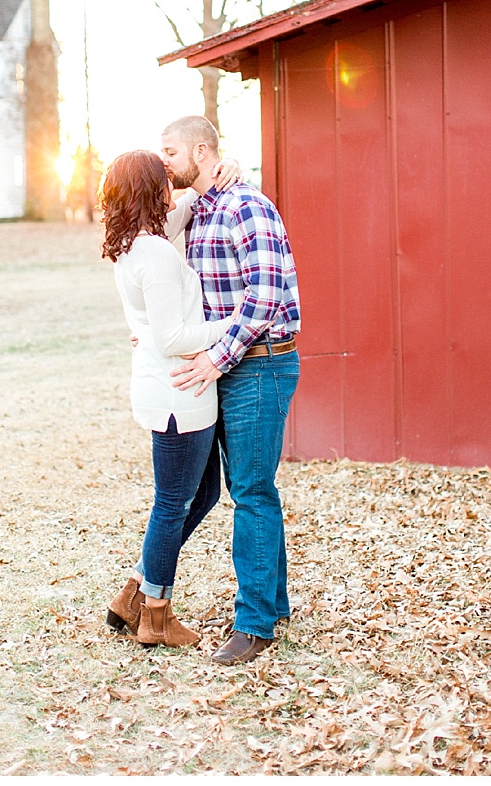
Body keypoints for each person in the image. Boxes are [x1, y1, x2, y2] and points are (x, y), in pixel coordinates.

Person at [160, 114, 302, 666]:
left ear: (201, 151)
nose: (164, 161)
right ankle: (273, 605)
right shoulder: (199, 209)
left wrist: (215, 361)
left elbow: (264, 298)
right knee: (243, 490)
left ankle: (255, 625)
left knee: (251, 491)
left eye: (171, 152)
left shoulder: (246, 206)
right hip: (223, 365)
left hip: (259, 366)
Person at [99, 149, 234, 649]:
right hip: (178, 390)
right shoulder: (154, 254)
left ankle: (135, 590)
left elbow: (186, 204)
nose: (172, 188)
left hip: (172, 388)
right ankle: (155, 614)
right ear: (151, 190)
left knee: (203, 494)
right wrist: (235, 322)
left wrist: (219, 171)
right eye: (164, 181)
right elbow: (174, 337)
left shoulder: (132, 243)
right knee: (173, 504)